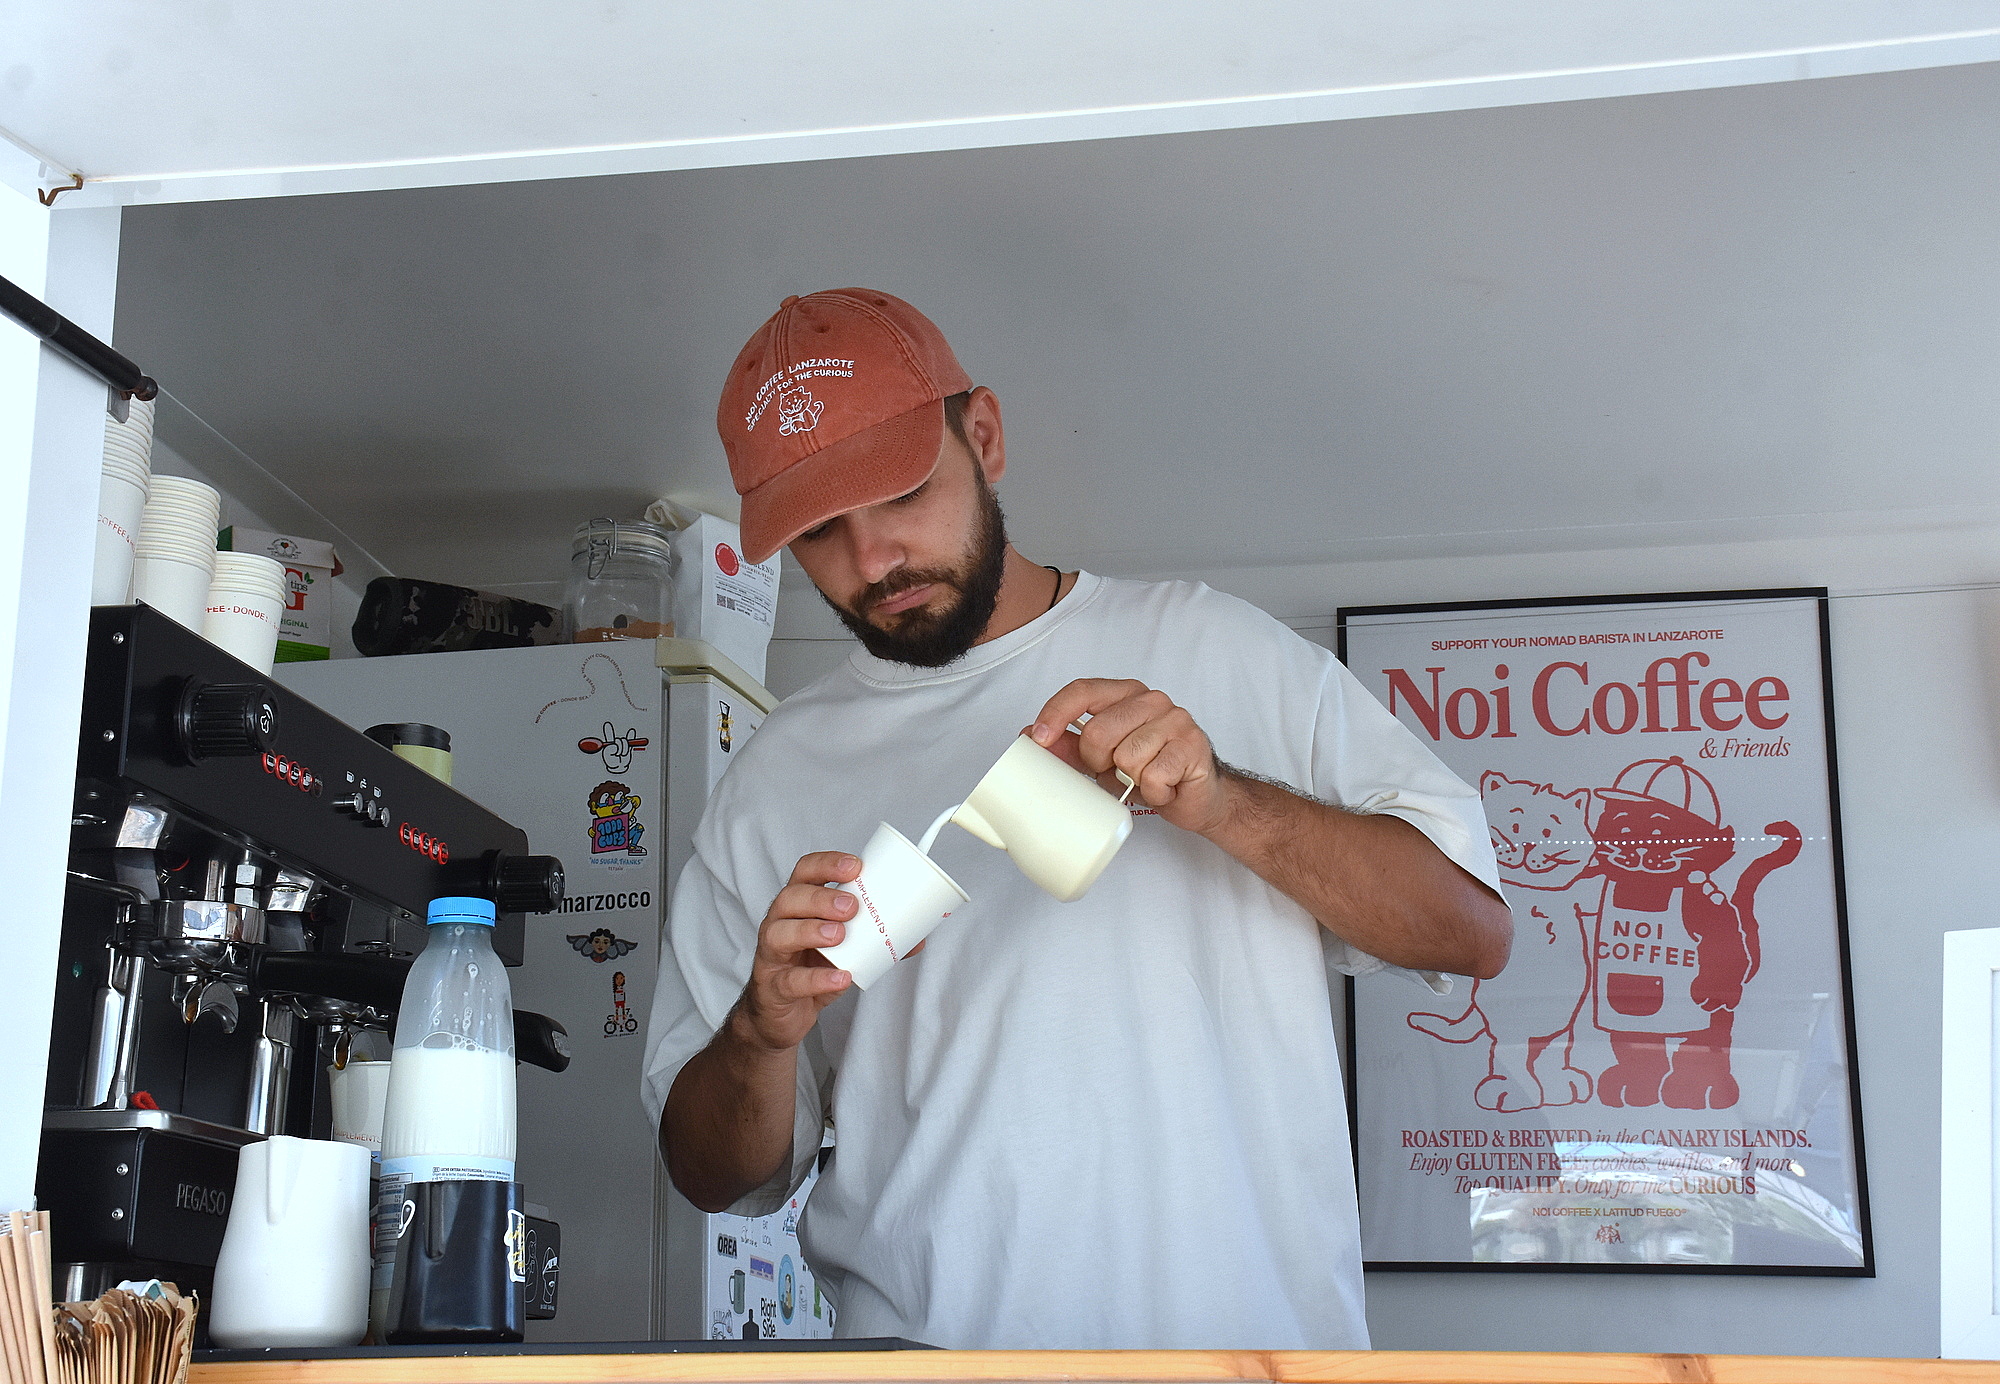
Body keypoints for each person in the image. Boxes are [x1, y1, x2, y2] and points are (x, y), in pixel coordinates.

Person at [641, 288, 1510, 1350]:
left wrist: (1222, 801)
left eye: (903, 492)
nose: (871, 560)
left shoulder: (1217, 650)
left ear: (986, 437)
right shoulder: (774, 779)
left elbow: (1472, 933)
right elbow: (705, 1171)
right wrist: (759, 1030)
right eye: (820, 529)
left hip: (1249, 1360)